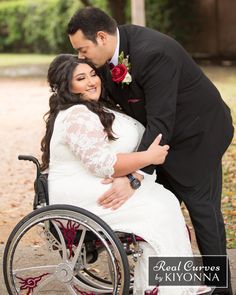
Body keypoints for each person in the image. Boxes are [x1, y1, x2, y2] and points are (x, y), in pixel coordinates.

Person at [67, 7, 234, 295]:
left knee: (201, 208)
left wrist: (134, 176)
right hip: (159, 140)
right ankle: (173, 284)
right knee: (161, 210)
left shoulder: (154, 53)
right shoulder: (109, 55)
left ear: (102, 38)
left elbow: (160, 122)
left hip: (197, 135)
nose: (80, 57)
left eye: (82, 49)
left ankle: (220, 288)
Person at [41, 54, 212, 295]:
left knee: (163, 203)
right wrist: (148, 158)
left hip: (92, 185)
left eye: (92, 74)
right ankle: (164, 288)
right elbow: (105, 164)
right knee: (156, 211)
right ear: (66, 86)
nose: (92, 81)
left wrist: (136, 173)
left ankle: (172, 285)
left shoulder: (92, 107)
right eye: (81, 78)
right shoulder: (76, 115)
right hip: (78, 194)